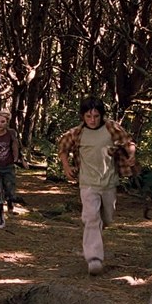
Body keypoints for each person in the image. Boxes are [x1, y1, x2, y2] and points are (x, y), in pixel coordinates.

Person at [57, 96, 136, 275]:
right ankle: (94, 259)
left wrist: (131, 155)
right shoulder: (77, 133)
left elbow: (128, 143)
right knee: (92, 218)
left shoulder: (111, 128)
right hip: (87, 183)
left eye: (96, 116)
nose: (92, 120)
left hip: (109, 182)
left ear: (101, 115)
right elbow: (63, 148)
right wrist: (66, 166)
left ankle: (95, 237)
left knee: (106, 219)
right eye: (88, 116)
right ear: (83, 116)